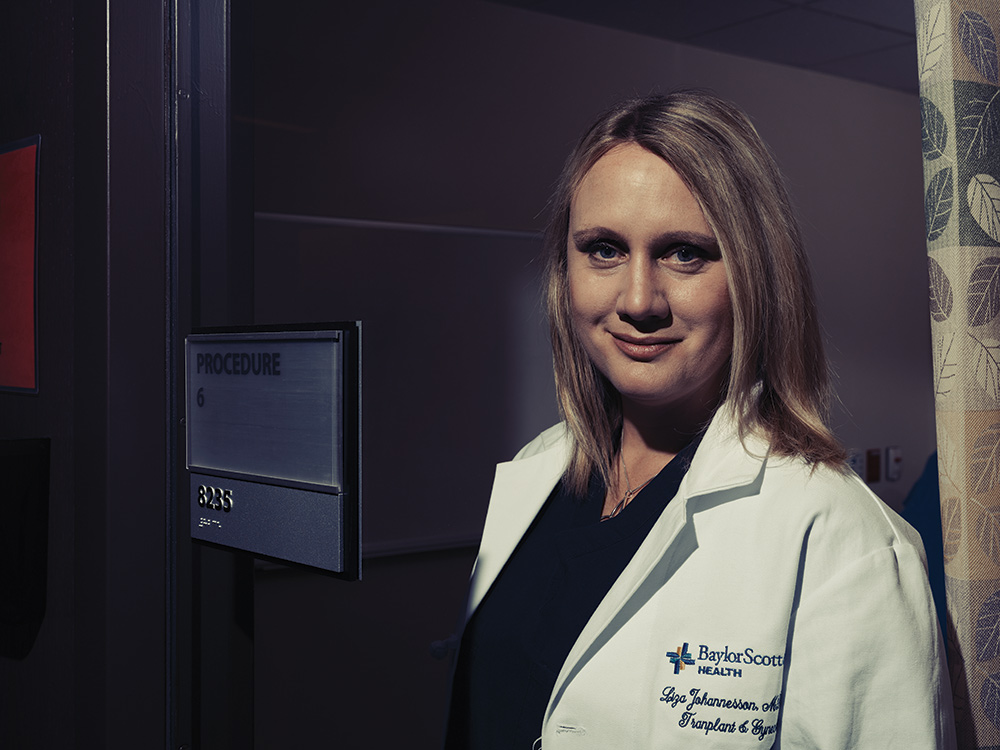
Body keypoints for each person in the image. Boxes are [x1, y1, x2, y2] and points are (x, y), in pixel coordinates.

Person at [444, 91, 955, 749]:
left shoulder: (842, 542)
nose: (637, 300)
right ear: (563, 269)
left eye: (684, 253)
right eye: (603, 249)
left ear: (755, 276)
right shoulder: (535, 474)